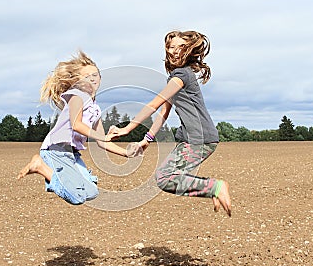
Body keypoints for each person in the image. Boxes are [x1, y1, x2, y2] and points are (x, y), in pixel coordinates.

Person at [111, 30, 232, 216]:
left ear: (190, 50)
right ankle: (213, 188)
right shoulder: (175, 77)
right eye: (171, 47)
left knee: (164, 177)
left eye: (181, 47)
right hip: (191, 138)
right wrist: (147, 139)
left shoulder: (182, 75)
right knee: (167, 177)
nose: (175, 51)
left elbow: (154, 104)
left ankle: (215, 186)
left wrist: (127, 128)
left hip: (199, 139)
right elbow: (162, 113)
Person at [17, 51, 141, 205]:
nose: (93, 78)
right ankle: (40, 167)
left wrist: (126, 153)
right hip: (56, 150)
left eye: (95, 74)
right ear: (77, 82)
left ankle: (57, 177)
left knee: (91, 192)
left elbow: (102, 143)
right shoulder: (77, 95)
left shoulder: (95, 108)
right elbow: (76, 125)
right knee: (76, 197)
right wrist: (101, 136)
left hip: (72, 154)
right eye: (87, 76)